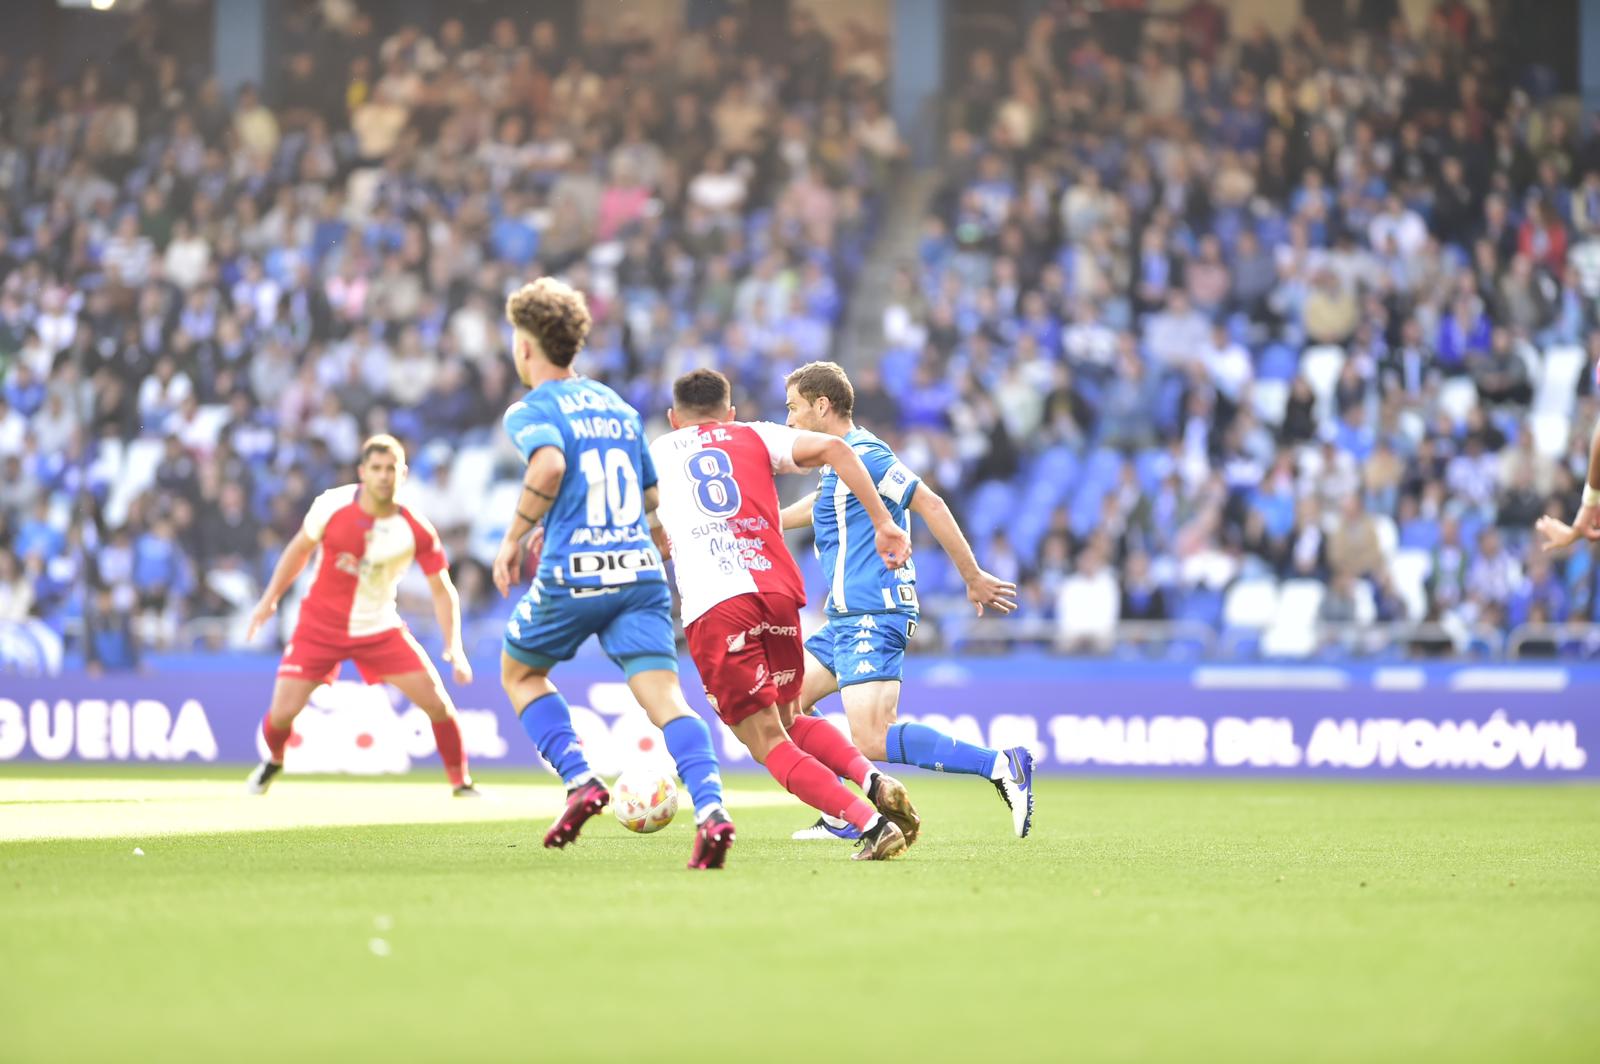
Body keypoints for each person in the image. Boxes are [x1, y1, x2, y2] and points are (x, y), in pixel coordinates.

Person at [491, 278, 733, 870]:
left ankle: (580, 781)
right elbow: (651, 495)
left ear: (526, 347)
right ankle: (712, 811)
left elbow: (548, 465)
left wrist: (513, 539)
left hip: (576, 571)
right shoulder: (617, 407)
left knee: (520, 674)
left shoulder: (532, 409)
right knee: (667, 700)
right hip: (640, 575)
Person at [650, 369, 919, 861]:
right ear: (729, 413)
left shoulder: (659, 452)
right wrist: (883, 522)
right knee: (792, 716)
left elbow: (646, 523)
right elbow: (839, 451)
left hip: (718, 605)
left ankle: (871, 824)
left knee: (766, 740)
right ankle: (872, 779)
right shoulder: (754, 432)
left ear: (673, 418)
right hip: (777, 591)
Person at [778, 361, 1035, 840]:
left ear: (821, 406)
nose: (790, 421)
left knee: (872, 736)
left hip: (874, 611)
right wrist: (764, 521)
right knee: (784, 706)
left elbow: (930, 503)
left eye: (793, 408)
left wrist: (972, 576)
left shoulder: (868, 454)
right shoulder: (839, 461)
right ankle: (840, 813)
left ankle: (1000, 764)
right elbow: (819, 506)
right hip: (845, 618)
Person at [243, 434, 476, 796]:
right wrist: (270, 598)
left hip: (379, 628)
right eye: (377, 468)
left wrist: (454, 647)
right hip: (318, 627)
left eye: (391, 469)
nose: (384, 476)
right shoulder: (332, 504)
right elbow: (299, 550)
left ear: (404, 474)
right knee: (281, 715)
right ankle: (273, 761)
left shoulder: (415, 529)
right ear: (362, 472)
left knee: (438, 704)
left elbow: (442, 590)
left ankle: (461, 784)